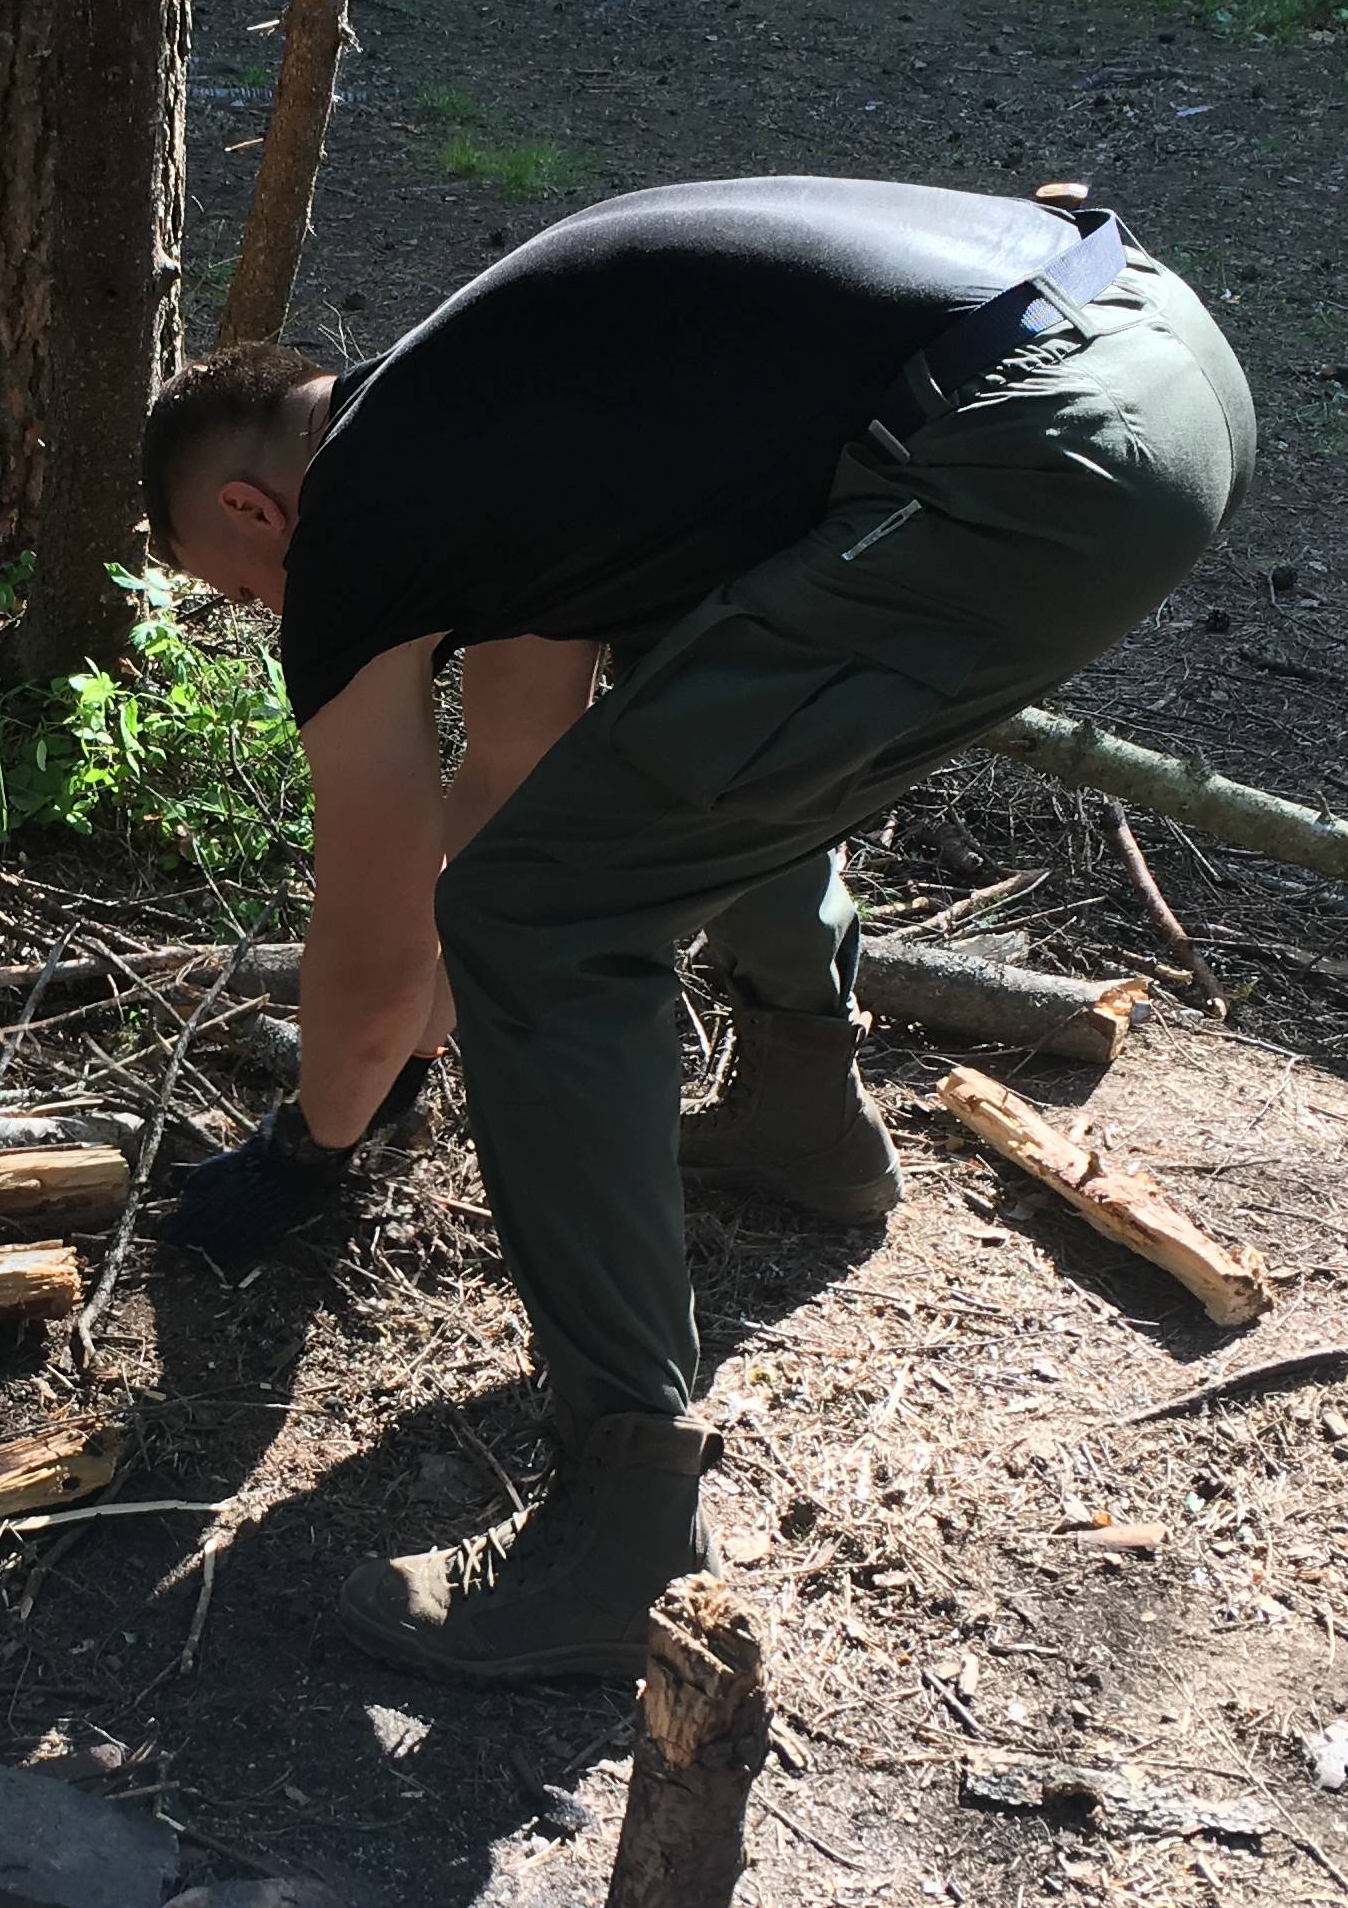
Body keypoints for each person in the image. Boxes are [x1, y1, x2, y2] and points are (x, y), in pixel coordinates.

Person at [140, 175, 1255, 1681]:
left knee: (535, 919)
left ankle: (624, 1536)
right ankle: (804, 1111)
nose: (278, 612)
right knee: (681, 701)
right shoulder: (493, 419)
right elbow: (529, 768)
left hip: (1029, 447)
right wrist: (402, 1041)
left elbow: (385, 908)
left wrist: (309, 1150)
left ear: (252, 509)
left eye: (244, 585)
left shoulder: (361, 522)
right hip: (1154, 351)